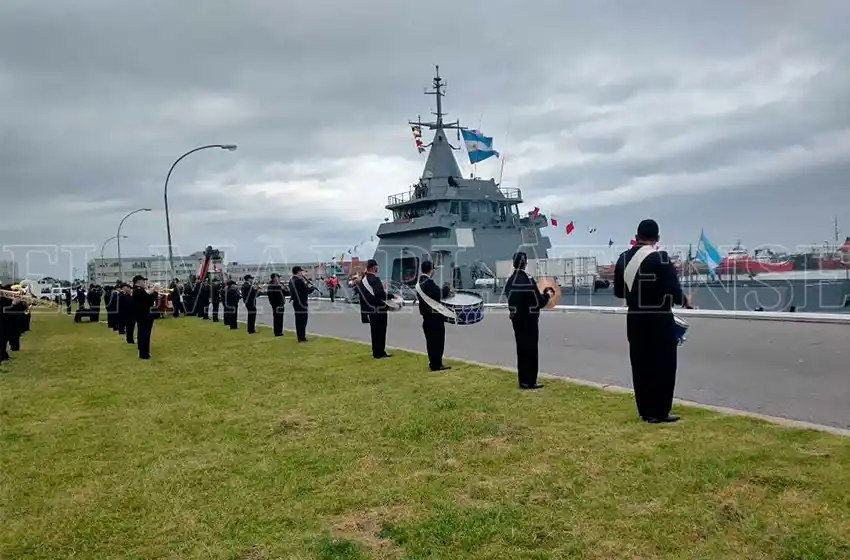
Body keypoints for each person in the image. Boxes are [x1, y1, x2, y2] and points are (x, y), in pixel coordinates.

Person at [614, 219, 692, 424]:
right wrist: (686, 301)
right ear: (657, 238)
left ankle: (645, 410)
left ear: (637, 236)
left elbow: (618, 292)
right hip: (659, 319)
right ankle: (660, 412)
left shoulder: (623, 259)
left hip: (635, 319)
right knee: (663, 365)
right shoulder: (661, 259)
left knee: (640, 365)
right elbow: (675, 294)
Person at [504, 251, 554, 390]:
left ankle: (523, 380)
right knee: (531, 350)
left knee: (521, 350)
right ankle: (531, 381)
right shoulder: (527, 280)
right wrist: (547, 295)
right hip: (529, 321)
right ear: (525, 263)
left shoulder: (510, 280)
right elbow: (537, 301)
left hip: (516, 320)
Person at [415, 260, 452, 371]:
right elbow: (439, 294)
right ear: (431, 270)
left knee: (430, 343)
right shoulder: (428, 282)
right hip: (434, 318)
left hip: (426, 318)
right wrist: (447, 287)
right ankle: (437, 364)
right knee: (438, 342)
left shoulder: (419, 283)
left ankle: (433, 362)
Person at [358, 259, 391, 359]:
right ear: (374, 267)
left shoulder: (362, 281)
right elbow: (379, 294)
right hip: (379, 309)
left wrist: (363, 314)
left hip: (370, 310)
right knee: (381, 331)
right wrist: (391, 296)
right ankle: (380, 352)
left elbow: (361, 299)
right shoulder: (375, 279)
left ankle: (376, 351)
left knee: (374, 331)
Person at [131, 276, 158, 359]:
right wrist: (155, 292)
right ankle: (144, 354)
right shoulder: (138, 291)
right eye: (143, 281)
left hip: (144, 315)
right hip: (143, 316)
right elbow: (148, 299)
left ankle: (145, 352)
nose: (144, 283)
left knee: (144, 335)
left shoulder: (139, 290)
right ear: (138, 282)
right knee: (144, 335)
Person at [288, 266, 316, 342]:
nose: (302, 273)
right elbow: (307, 290)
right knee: (302, 320)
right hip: (302, 302)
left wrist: (305, 284)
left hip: (296, 302)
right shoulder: (299, 280)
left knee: (298, 320)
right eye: (301, 271)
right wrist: (312, 287)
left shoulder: (291, 280)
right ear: (298, 272)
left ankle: (300, 336)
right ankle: (302, 337)